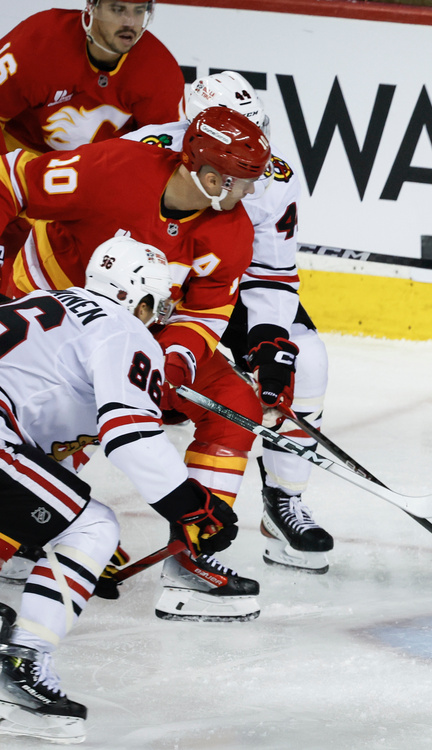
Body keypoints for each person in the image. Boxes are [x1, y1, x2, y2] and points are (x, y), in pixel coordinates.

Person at [0, 106, 271, 621]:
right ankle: (32, 529)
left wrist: (176, 358)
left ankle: (192, 553)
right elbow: (12, 176)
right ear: (211, 178)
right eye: (243, 182)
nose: (250, 194)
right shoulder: (115, 169)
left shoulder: (232, 230)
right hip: (46, 306)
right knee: (52, 413)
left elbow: (208, 310)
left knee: (233, 397)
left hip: (136, 328)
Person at [0, 237, 238, 743]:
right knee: (92, 527)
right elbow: (129, 435)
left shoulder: (42, 302)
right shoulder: (124, 328)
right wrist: (192, 507)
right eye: (158, 306)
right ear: (142, 300)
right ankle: (18, 671)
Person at [124, 71, 334, 574]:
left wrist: (267, 340)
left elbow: (272, 271)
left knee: (307, 360)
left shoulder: (271, 175)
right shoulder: (144, 151)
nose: (251, 167)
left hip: (223, 280)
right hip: (157, 281)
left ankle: (284, 501)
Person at [0, 1, 183, 156]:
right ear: (92, 6)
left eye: (139, 10)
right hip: (19, 157)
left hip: (96, 172)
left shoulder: (159, 71)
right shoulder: (39, 42)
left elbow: (164, 154)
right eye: (118, 9)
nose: (130, 22)